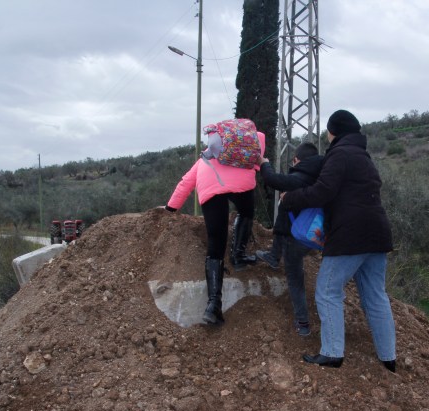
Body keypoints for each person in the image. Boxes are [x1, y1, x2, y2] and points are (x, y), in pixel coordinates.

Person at [279, 109, 396, 372]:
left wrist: (290, 199)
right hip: (377, 233)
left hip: (350, 234)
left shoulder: (339, 154)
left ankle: (332, 353)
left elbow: (323, 191)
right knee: (376, 296)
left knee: (327, 290)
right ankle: (388, 359)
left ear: (333, 132)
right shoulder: (363, 156)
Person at [164, 124, 266, 325]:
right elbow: (258, 162)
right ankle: (238, 255)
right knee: (246, 211)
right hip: (242, 183)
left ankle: (213, 306)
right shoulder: (250, 144)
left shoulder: (204, 158)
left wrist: (170, 209)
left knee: (216, 242)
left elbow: (185, 183)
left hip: (209, 184)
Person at [256, 142, 323, 336]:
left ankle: (302, 323)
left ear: (297, 160)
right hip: (312, 234)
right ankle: (274, 256)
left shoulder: (300, 177)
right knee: (284, 229)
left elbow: (273, 180)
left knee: (295, 279)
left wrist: (263, 163)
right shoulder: (320, 176)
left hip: (296, 236)